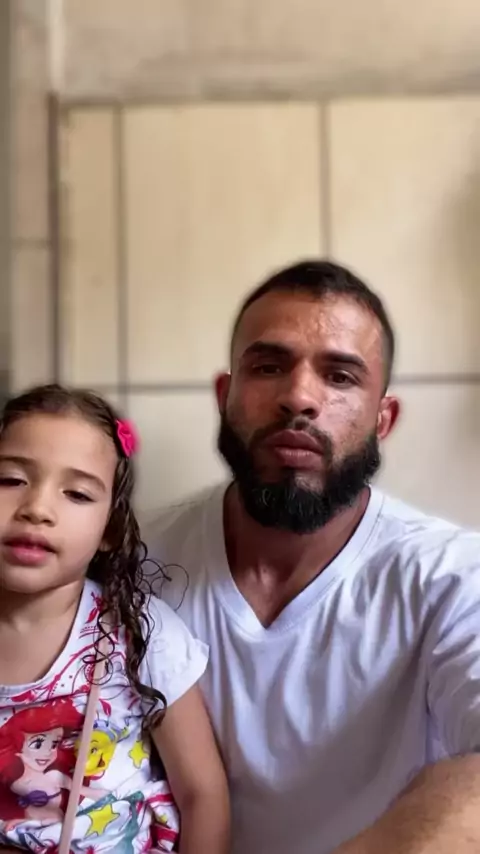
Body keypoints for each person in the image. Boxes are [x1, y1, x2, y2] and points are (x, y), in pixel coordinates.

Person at [145, 260, 480, 854]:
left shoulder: (451, 578)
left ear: (383, 419)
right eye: (269, 367)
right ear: (225, 397)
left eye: (340, 377)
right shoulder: (134, 563)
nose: (299, 397)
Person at [0, 385, 230, 854]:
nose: (37, 509)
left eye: (77, 493)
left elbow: (203, 795)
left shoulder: (139, 632)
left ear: (110, 530)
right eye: (10, 480)